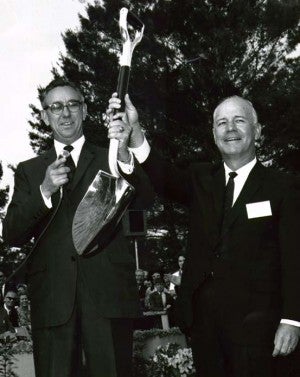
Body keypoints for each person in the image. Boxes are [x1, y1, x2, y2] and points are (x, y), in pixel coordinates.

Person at [107, 93, 300, 377]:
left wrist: (293, 320)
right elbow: (162, 174)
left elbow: (295, 258)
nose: (230, 129)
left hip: (263, 333)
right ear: (213, 133)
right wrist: (134, 130)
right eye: (222, 123)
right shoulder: (200, 179)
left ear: (257, 131)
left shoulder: (284, 187)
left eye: (239, 121)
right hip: (205, 330)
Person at [3, 78, 153, 377]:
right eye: (55, 107)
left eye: (73, 104)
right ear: (45, 116)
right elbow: (12, 233)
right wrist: (44, 190)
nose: (65, 113)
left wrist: (124, 154)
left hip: (108, 298)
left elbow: (146, 199)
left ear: (85, 111)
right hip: (53, 302)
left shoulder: (111, 156)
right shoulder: (30, 171)